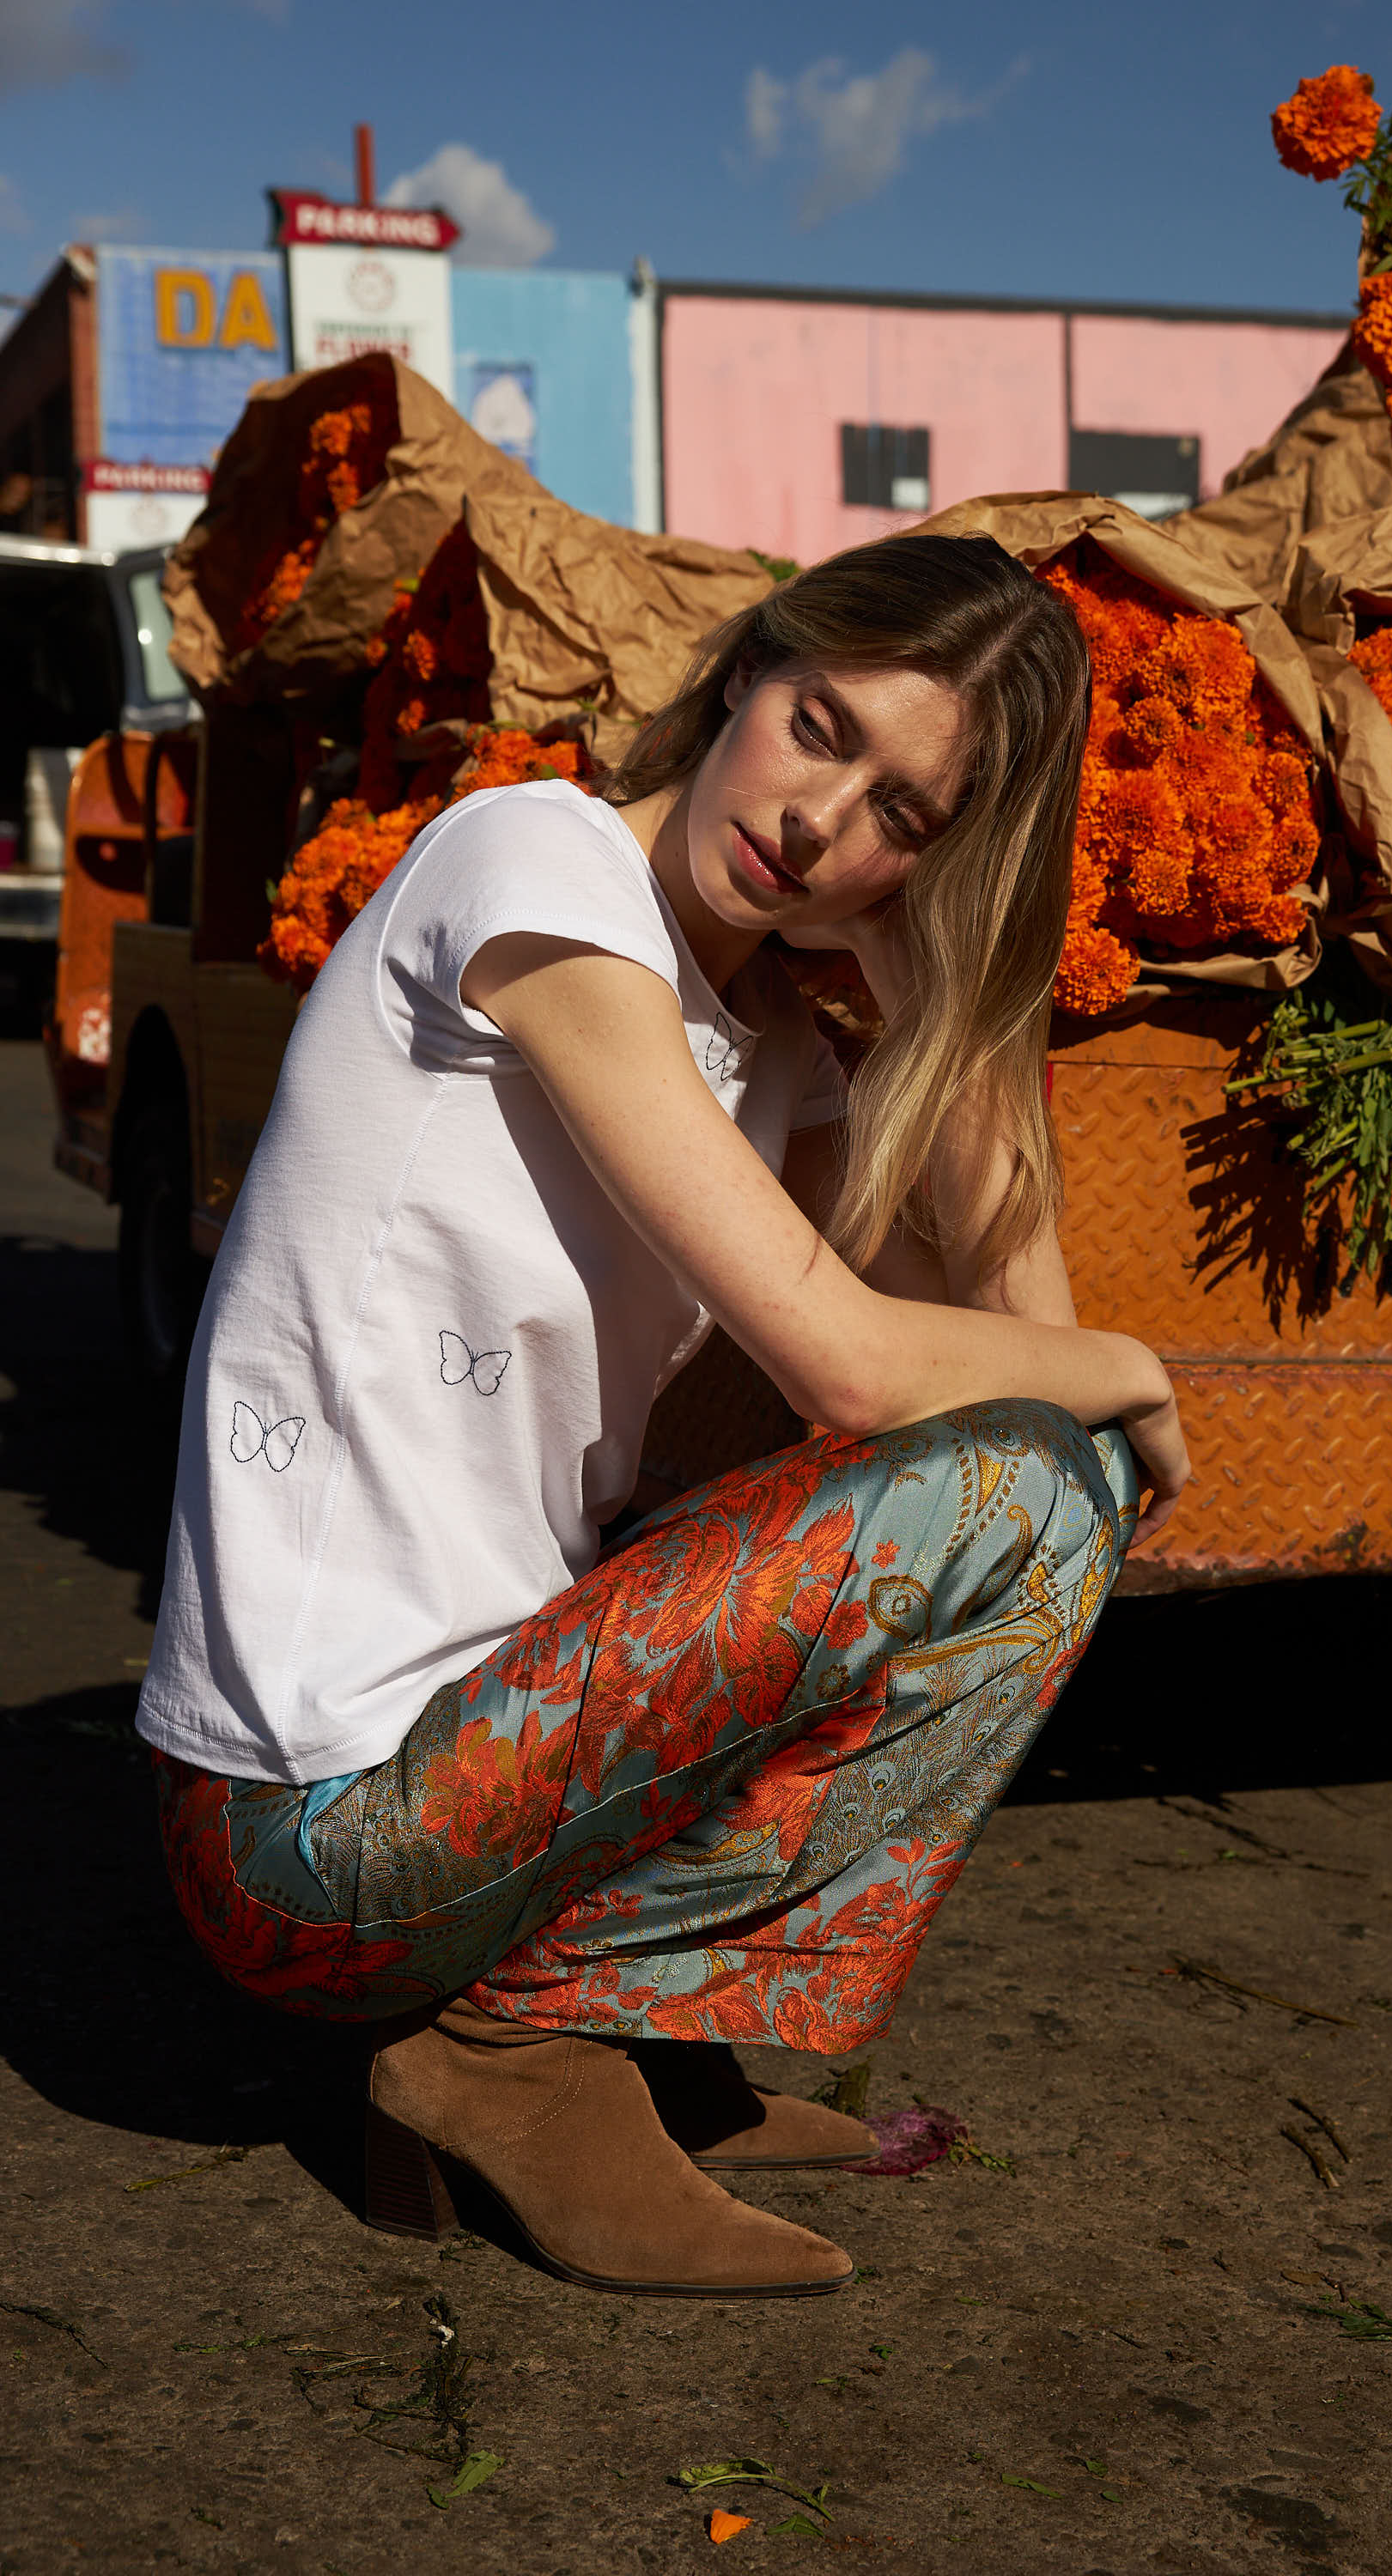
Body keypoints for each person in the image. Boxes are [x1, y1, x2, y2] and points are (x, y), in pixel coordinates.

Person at [139, 531, 1188, 2300]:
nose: (816, 817)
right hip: (299, 1840)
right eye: (817, 723)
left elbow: (1010, 1335)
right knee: (1025, 1476)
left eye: (904, 817)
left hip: (476, 1765)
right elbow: (859, 1368)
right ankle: (512, 2052)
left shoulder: (769, 1045)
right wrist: (1142, 1373)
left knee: (1043, 1486)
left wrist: (944, 983)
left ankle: (636, 2028)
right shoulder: (533, 865)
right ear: (745, 674)